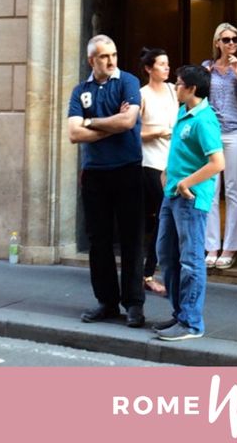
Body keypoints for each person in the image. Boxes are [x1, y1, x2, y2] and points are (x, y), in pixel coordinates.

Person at [67, 34, 145, 328]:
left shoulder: (128, 82)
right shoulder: (80, 91)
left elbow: (128, 122)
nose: (111, 61)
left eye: (113, 54)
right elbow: (74, 134)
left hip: (127, 168)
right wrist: (111, 123)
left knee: (131, 239)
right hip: (95, 173)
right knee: (98, 240)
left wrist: (90, 121)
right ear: (91, 60)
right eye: (104, 56)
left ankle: (134, 304)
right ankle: (107, 302)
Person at [152, 64, 224, 340]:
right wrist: (167, 174)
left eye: (179, 83)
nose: (175, 86)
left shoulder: (205, 119)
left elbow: (218, 162)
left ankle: (192, 322)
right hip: (172, 195)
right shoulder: (184, 111)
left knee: (191, 260)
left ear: (192, 89)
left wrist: (185, 183)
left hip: (190, 198)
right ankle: (180, 314)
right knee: (166, 255)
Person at [203, 22, 237, 270]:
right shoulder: (207, 68)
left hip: (235, 132)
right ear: (217, 43)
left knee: (233, 189)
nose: (232, 43)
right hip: (212, 133)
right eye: (226, 40)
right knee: (211, 191)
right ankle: (211, 245)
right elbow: (200, 98)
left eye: (235, 39)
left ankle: (230, 246)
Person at [139, 47, 178, 296]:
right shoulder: (141, 95)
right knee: (164, 216)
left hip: (171, 163)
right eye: (161, 64)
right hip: (149, 163)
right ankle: (147, 273)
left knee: (165, 218)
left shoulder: (174, 90)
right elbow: (132, 132)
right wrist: (158, 132)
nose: (166, 68)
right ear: (148, 69)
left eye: (167, 64)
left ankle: (150, 270)